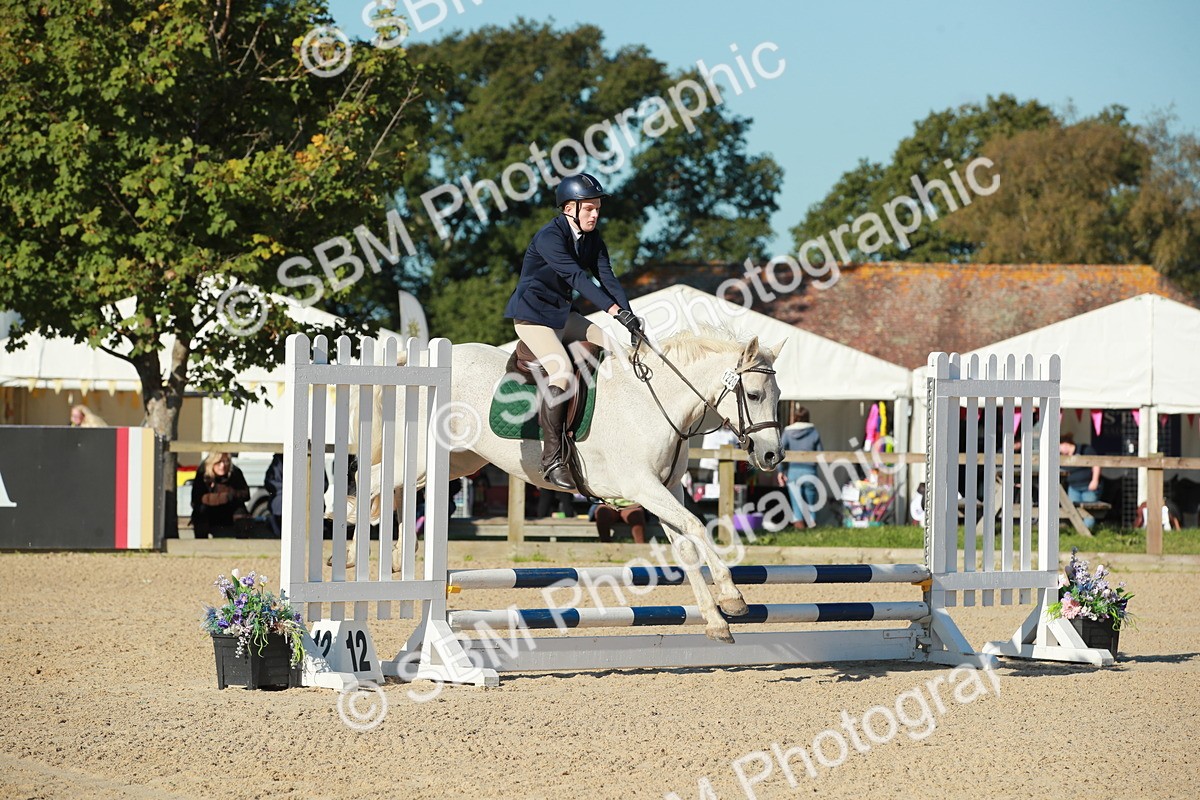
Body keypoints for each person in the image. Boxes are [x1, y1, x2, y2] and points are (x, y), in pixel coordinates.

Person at [503, 173, 641, 490]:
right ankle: (552, 459)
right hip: (532, 318)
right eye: (589, 208)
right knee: (562, 371)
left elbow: (608, 279)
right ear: (569, 209)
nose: (595, 214)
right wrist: (614, 312)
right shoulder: (549, 238)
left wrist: (630, 318)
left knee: (613, 348)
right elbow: (578, 278)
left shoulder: (593, 240)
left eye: (597, 208)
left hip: (563, 316)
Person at [776, 406, 824, 528]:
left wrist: (781, 471)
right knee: (811, 503)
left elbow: (780, 451)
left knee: (796, 504)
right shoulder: (814, 432)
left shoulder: (787, 432)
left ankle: (799, 527)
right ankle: (812, 525)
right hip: (810, 471)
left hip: (793, 472)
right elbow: (820, 453)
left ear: (795, 417)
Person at [190, 452, 250, 538]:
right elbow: (195, 500)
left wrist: (229, 494)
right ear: (212, 463)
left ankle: (243, 545)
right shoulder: (202, 473)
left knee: (241, 512)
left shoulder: (235, 472)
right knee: (199, 512)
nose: (222, 465)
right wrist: (211, 498)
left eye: (226, 462)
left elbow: (246, 495)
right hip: (209, 512)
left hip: (229, 511)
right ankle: (201, 546)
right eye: (218, 462)